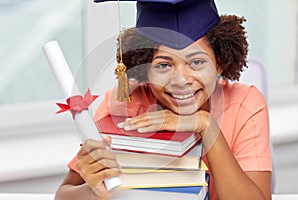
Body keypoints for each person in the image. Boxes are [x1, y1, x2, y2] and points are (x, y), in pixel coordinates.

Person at [54, 0, 272, 199]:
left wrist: (205, 124)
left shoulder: (244, 103)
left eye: (196, 62)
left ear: (219, 63)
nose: (180, 80)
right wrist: (91, 193)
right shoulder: (124, 103)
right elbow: (63, 194)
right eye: (163, 65)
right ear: (144, 70)